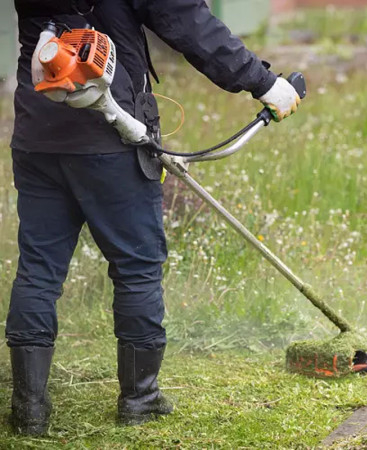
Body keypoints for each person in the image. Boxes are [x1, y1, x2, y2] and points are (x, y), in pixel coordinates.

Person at [8, 0, 300, 436]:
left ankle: (28, 409)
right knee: (137, 269)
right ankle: (140, 399)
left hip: (38, 132)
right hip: (111, 134)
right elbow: (185, 20)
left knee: (37, 271)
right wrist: (263, 83)